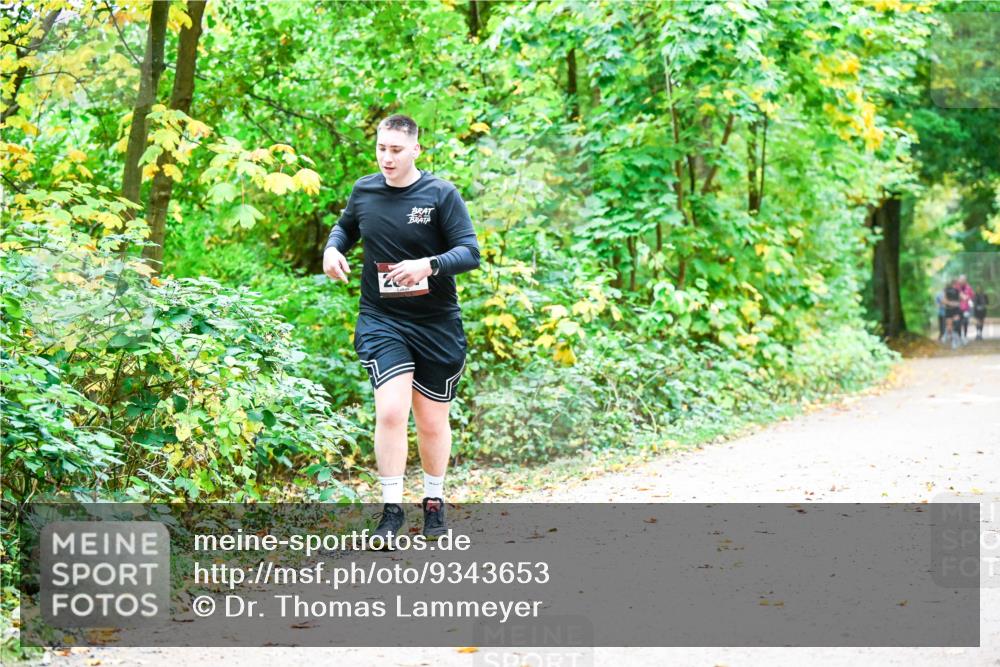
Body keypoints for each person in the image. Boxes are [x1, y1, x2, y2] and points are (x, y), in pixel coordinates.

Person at [323, 114, 480, 542]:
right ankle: (391, 511)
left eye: (396, 149)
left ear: (415, 150)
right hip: (382, 319)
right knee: (391, 410)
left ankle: (433, 502)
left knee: (431, 422)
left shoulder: (440, 194)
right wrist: (332, 249)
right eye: (381, 148)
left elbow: (470, 252)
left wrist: (428, 264)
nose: (387, 158)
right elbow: (345, 228)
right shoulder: (365, 190)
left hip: (436, 323)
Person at [942, 278, 963, 348]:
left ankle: (955, 341)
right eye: (956, 283)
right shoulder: (946, 290)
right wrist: (951, 303)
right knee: (949, 326)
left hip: (956, 310)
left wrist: (965, 297)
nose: (957, 285)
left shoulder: (958, 291)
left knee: (956, 324)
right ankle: (947, 334)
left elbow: (963, 297)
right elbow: (943, 300)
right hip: (948, 310)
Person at [957, 275, 975, 340]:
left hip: (966, 308)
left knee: (965, 322)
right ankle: (959, 336)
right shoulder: (957, 287)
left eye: (963, 280)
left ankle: (965, 335)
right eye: (960, 280)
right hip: (957, 308)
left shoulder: (968, 288)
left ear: (965, 280)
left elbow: (972, 295)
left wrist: (968, 297)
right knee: (958, 322)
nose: (961, 281)